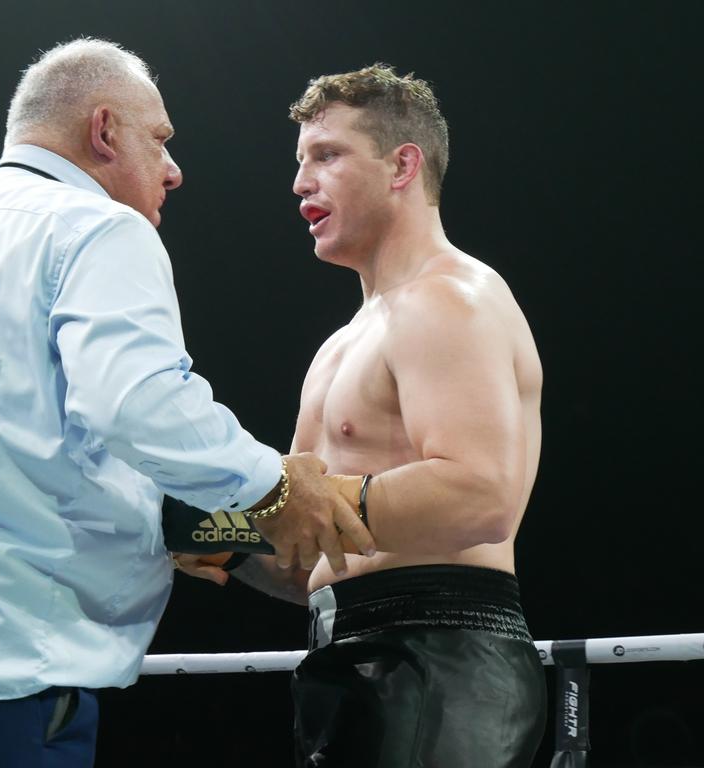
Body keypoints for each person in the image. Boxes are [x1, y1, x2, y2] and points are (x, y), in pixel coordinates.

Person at [0, 38, 373, 768]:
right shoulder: (97, 224)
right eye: (161, 140)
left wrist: (148, 527)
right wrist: (274, 486)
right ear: (104, 131)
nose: (174, 171)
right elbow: (137, 402)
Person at [175, 64, 547, 767]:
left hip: (439, 656)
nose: (300, 182)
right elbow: (311, 549)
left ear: (403, 164)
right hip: (347, 658)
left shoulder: (450, 299)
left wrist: (306, 498)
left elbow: (483, 495)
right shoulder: (341, 345)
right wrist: (220, 537)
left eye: (328, 155)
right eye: (300, 161)